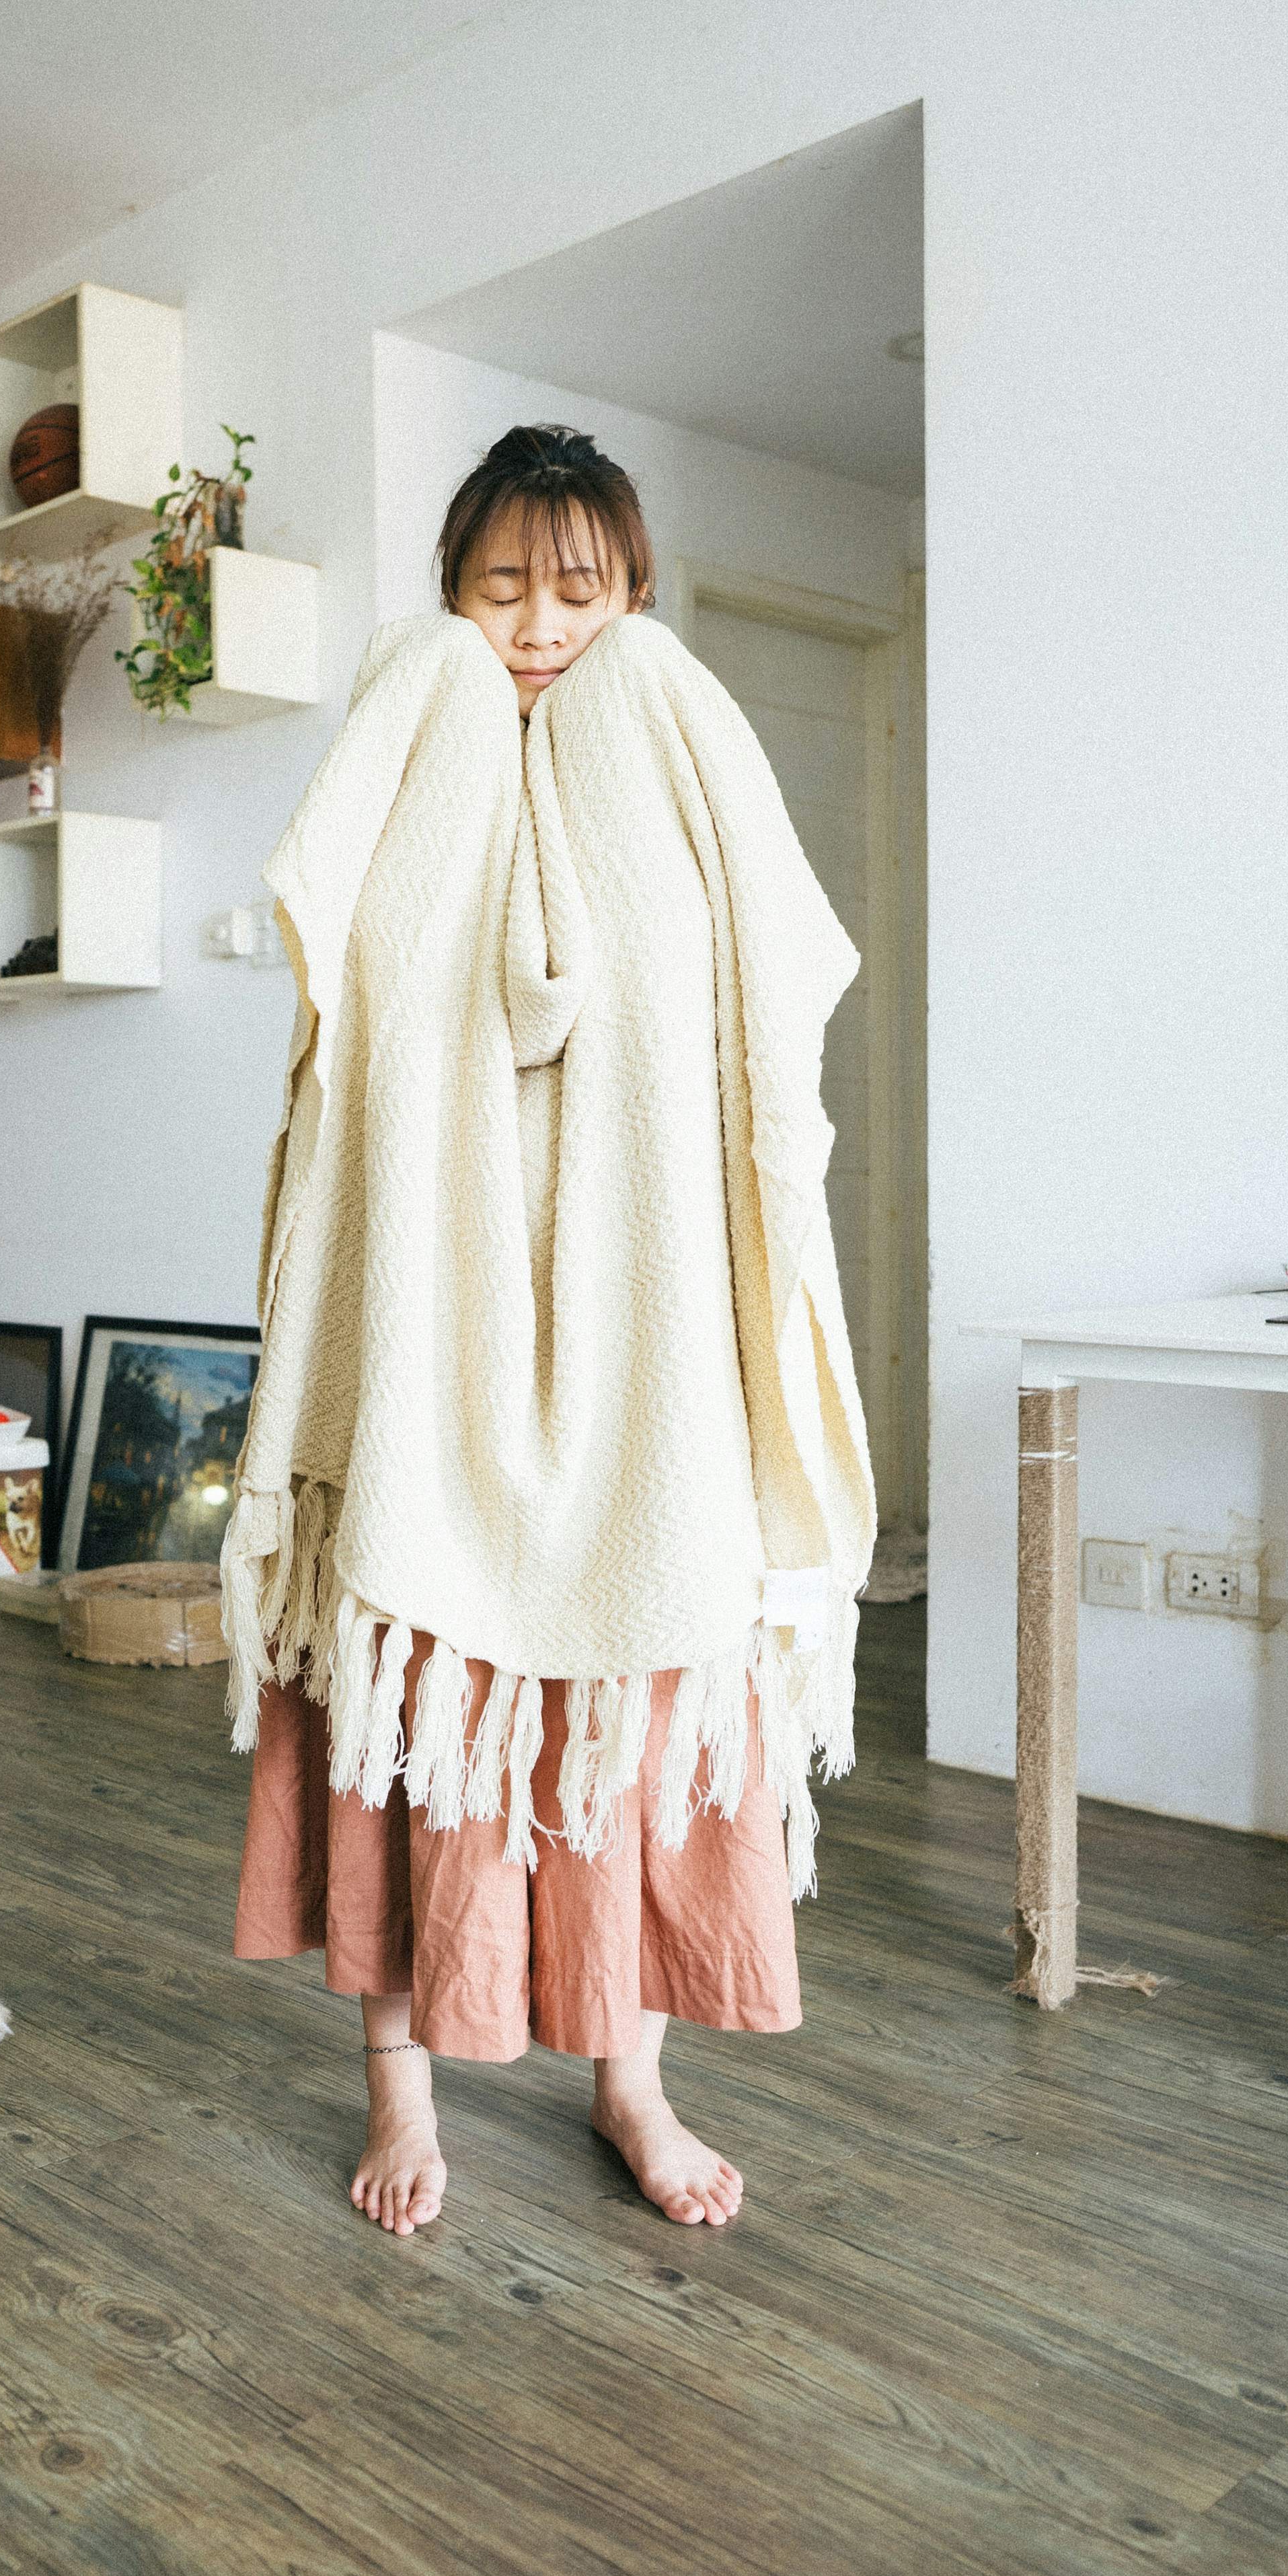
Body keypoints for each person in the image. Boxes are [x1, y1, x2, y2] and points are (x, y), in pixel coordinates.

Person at [227, 425, 873, 2238]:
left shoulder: (659, 734)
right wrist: (436, 680)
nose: (535, 626)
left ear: (634, 593)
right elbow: (353, 972)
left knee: (633, 1706)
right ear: (450, 592)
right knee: (398, 1691)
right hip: (429, 1323)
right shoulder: (419, 724)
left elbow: (759, 982)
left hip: (642, 1347)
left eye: (578, 592)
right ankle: (397, 2092)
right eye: (497, 588)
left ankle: (634, 2089)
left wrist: (619, 680)